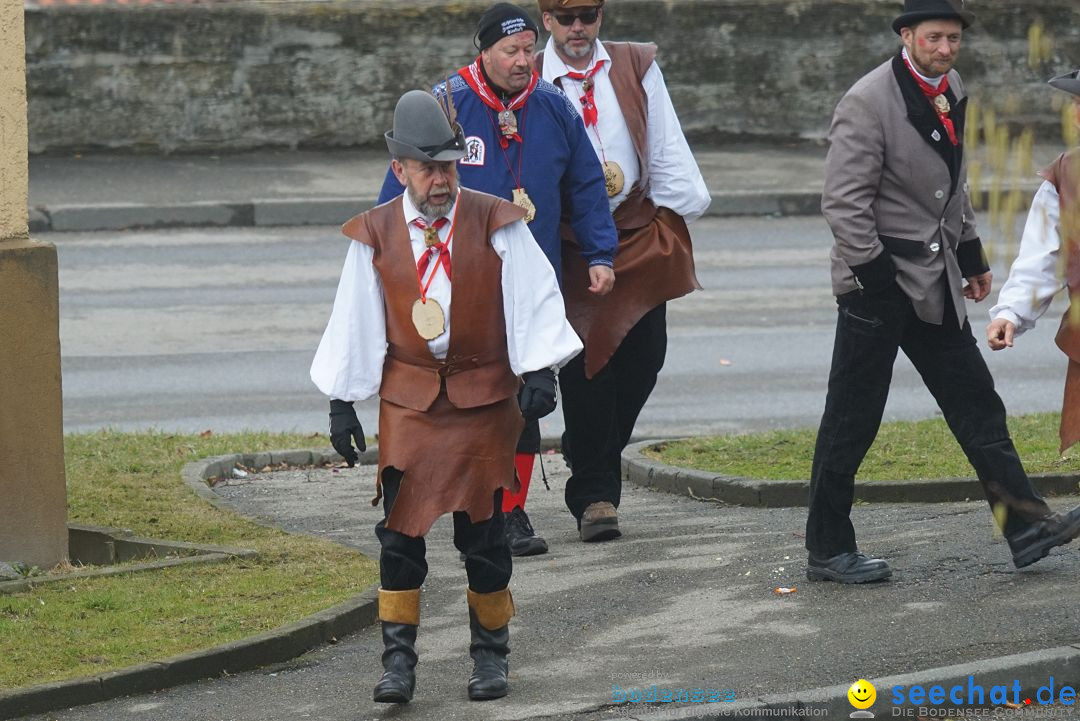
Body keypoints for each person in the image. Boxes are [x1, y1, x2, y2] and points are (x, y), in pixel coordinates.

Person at [311, 90, 582, 702]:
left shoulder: (494, 219)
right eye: (428, 168)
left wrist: (540, 370)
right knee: (400, 537)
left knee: (484, 539)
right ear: (400, 168)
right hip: (409, 401)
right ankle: (397, 665)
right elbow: (354, 318)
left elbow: (532, 295)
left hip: (485, 397)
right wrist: (341, 400)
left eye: (450, 165)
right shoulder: (375, 234)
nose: (442, 179)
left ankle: (491, 658)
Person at [806, 0, 1080, 584]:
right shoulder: (867, 101)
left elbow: (953, 183)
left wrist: (972, 254)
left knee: (977, 404)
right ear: (907, 36)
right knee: (852, 420)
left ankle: (1027, 527)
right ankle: (827, 549)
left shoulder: (950, 84)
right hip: (875, 287)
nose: (946, 49)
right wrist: (877, 280)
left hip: (935, 284)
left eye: (954, 39)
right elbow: (843, 205)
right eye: (935, 38)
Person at [377, 2, 619, 557]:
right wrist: (387, 260)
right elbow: (398, 193)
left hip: (533, 286)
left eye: (530, 50)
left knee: (527, 400)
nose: (522, 60)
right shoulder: (446, 106)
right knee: (474, 402)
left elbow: (585, 185)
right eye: (510, 51)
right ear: (482, 51)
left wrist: (602, 253)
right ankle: (456, 503)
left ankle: (510, 515)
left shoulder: (554, 107)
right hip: (462, 285)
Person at [534, 0, 710, 541]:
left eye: (588, 15)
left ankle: (591, 454)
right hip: (570, 243)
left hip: (633, 231)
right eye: (566, 18)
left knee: (645, 357)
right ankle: (594, 496)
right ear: (547, 22)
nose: (578, 27)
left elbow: (663, 140)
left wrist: (676, 207)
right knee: (588, 368)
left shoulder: (635, 64)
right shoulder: (534, 80)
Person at [988, 69, 1080, 455]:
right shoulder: (1066, 175)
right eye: (1077, 104)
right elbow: (1043, 255)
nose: (1076, 113)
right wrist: (1011, 313)